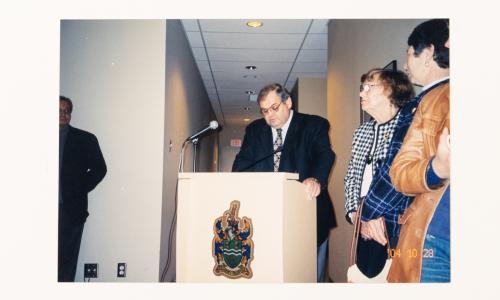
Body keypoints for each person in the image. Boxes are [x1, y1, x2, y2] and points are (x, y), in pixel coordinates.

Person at [232, 83, 337, 282]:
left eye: (274, 107)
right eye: (264, 111)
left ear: (288, 102)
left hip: (307, 213)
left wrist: (315, 178)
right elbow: (241, 165)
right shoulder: (254, 130)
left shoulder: (314, 125)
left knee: (308, 277)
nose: (270, 115)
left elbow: (325, 155)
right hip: (266, 217)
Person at [388, 19, 450, 283]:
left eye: (408, 54)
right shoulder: (426, 102)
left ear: (427, 54)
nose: (405, 64)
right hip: (436, 239)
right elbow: (398, 170)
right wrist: (437, 168)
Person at [344, 68, 414, 250]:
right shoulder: (361, 132)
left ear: (390, 90)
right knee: (362, 276)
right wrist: (355, 216)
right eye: (362, 87)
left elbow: (403, 182)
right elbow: (352, 176)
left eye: (368, 87)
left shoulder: (407, 128)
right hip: (363, 224)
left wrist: (375, 218)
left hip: (394, 224)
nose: (361, 93)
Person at [59, 95, 107, 282]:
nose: (63, 114)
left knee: (65, 266)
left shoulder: (84, 139)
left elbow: (100, 169)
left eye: (67, 111)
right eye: (58, 110)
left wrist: (78, 188)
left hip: (70, 212)